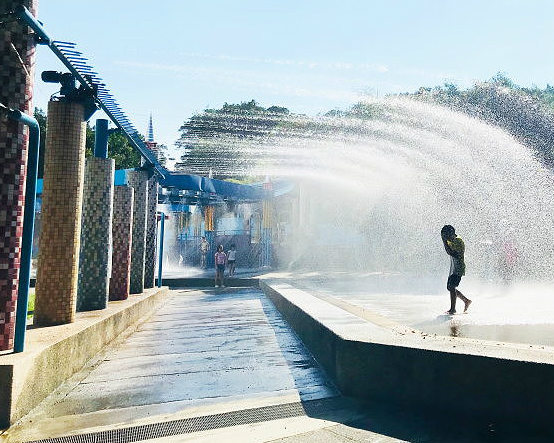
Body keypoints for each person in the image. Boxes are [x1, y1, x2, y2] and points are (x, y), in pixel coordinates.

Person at [441, 225, 472, 314]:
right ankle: (466, 301)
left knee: (451, 287)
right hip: (454, 266)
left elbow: (450, 252)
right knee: (450, 287)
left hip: (459, 267)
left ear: (452, 234)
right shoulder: (451, 238)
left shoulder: (458, 241)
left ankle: (453, 309)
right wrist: (445, 239)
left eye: (447, 236)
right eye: (444, 236)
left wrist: (444, 241)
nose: (446, 239)